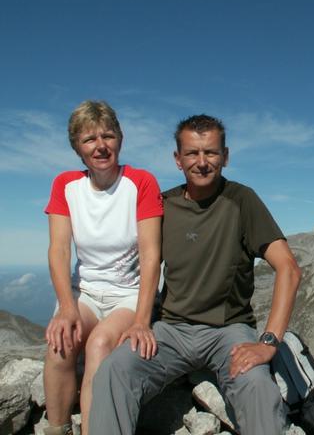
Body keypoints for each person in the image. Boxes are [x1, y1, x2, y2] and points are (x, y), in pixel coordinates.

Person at [90, 115, 301, 435]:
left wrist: (269, 343)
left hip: (229, 330)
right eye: (192, 153)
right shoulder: (164, 204)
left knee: (256, 386)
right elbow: (145, 263)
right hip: (170, 330)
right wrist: (139, 322)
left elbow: (288, 268)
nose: (202, 162)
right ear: (178, 159)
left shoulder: (242, 201)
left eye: (211, 153)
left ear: (225, 156)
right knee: (113, 371)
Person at [43, 101, 163, 435]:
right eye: (89, 139)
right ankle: (57, 429)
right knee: (60, 343)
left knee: (98, 346)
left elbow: (152, 255)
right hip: (86, 291)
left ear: (120, 140)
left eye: (108, 136)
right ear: (77, 149)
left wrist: (142, 321)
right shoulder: (66, 186)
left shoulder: (141, 182)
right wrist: (66, 307)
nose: (100, 146)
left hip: (129, 294)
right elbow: (58, 249)